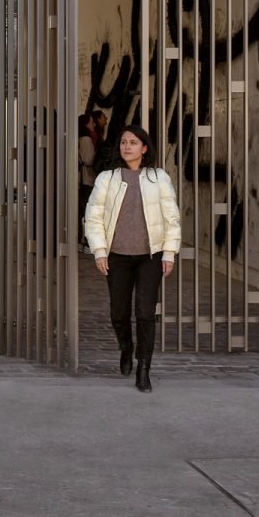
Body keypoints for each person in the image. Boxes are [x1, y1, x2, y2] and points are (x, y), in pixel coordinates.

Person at [82, 120, 181, 391]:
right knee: (119, 313)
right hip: (117, 257)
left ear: (144, 148)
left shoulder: (159, 177)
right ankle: (126, 348)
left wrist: (169, 252)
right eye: (124, 142)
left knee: (145, 313)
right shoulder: (107, 178)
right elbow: (93, 218)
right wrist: (100, 251)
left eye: (133, 143)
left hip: (150, 256)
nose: (127, 147)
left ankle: (143, 368)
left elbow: (172, 218)